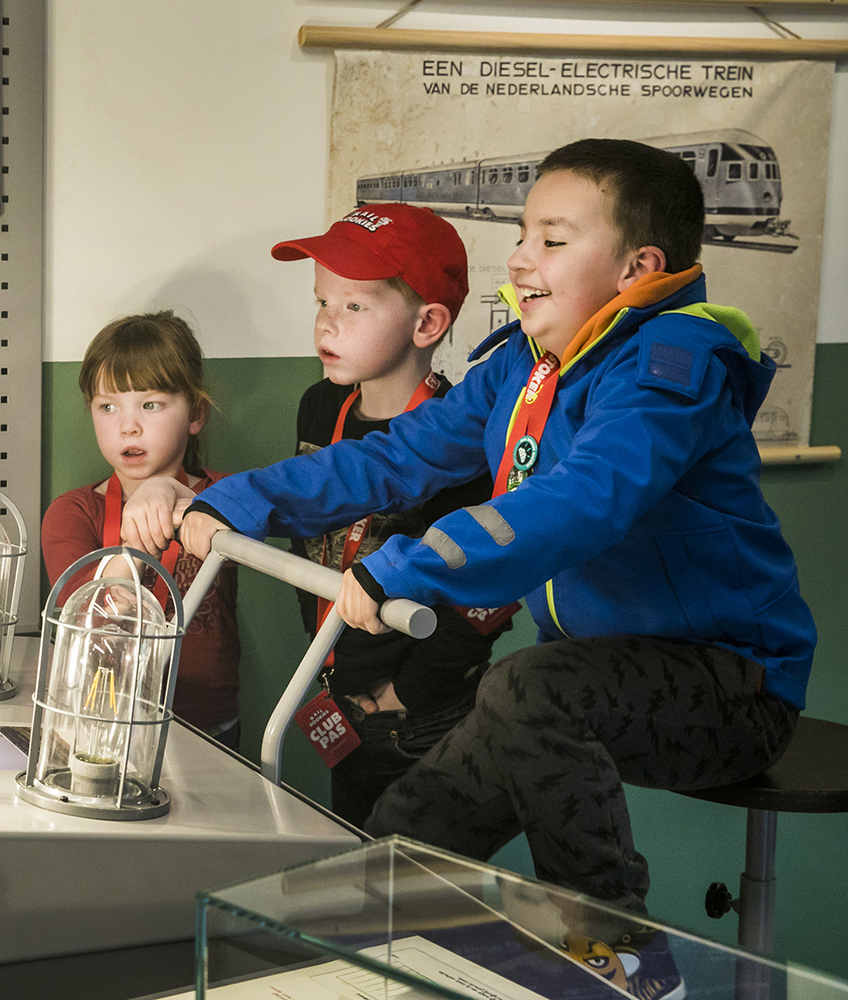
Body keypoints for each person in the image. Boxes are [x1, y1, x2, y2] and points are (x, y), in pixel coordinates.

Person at [174, 139, 815, 948]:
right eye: (521, 234)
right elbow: (399, 454)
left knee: (527, 690)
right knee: (404, 838)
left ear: (636, 268)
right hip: (589, 677)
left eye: (551, 240)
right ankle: (324, 948)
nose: (517, 259)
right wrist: (236, 501)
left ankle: (619, 957)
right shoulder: (524, 364)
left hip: (733, 687)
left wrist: (408, 566)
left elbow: (583, 501)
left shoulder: (669, 369)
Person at [123, 204, 516, 827]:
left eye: (353, 307)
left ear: (428, 323)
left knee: (407, 882)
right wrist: (166, 489)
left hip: (419, 707)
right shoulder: (319, 405)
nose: (326, 326)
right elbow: (290, 498)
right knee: (358, 865)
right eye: (321, 303)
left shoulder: (463, 446)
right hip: (338, 683)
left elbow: (482, 596)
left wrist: (401, 697)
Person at [42, 311, 242, 749]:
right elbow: (85, 612)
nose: (127, 425)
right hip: (94, 727)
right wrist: (134, 538)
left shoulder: (226, 496)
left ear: (196, 413)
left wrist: (164, 489)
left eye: (150, 404)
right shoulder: (72, 512)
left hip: (206, 728)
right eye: (107, 406)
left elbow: (270, 511)